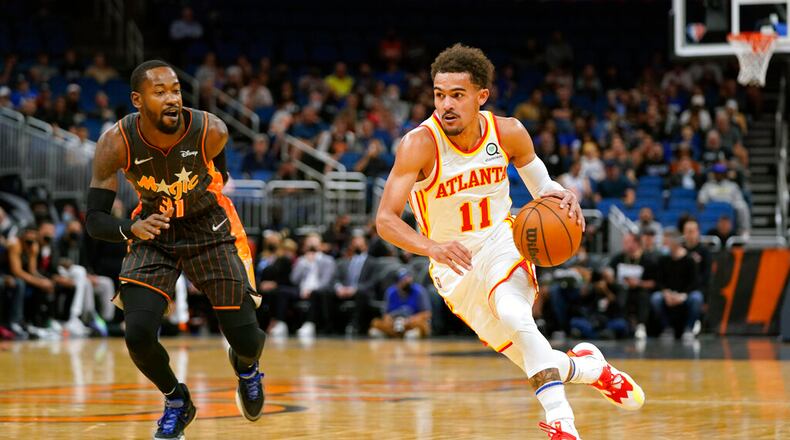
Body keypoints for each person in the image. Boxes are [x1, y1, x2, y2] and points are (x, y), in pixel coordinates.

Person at [375, 44, 644, 439]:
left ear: (481, 96)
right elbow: (385, 220)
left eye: (457, 95)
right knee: (530, 355)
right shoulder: (419, 144)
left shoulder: (508, 132)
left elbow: (544, 188)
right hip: (453, 266)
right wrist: (432, 247)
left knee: (516, 315)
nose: (446, 105)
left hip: (502, 240)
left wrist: (562, 195)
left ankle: (561, 423)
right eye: (439, 94)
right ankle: (591, 368)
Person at [85, 60, 266, 439]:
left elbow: (221, 172)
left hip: (209, 227)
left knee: (248, 340)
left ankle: (246, 368)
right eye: (160, 92)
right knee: (137, 334)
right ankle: (176, 401)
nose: (172, 99)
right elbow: (95, 220)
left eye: (176, 90)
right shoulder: (115, 142)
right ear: (137, 100)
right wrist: (130, 228)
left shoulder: (211, 130)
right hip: (154, 229)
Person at [370, 268, 431, 338]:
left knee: (417, 329)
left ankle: (405, 334)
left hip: (411, 323)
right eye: (404, 280)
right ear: (397, 283)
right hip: (394, 323)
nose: (408, 281)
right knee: (375, 324)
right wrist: (393, 321)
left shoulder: (419, 291)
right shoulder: (390, 292)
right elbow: (386, 314)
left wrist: (408, 321)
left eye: (409, 278)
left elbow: (427, 313)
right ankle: (393, 334)